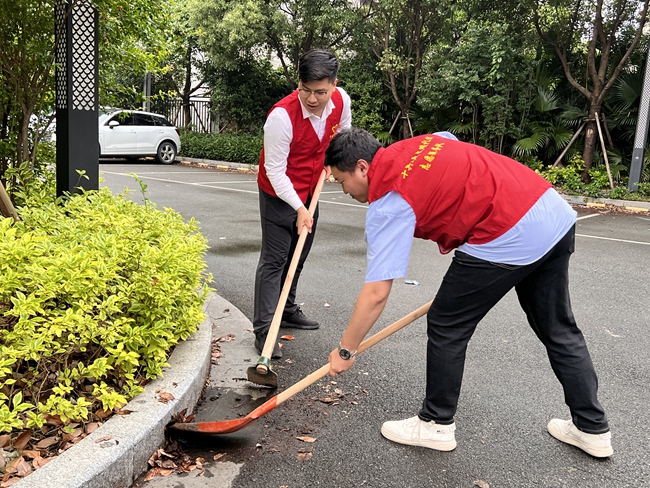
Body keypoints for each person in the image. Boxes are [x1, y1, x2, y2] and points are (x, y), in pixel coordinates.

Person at [323, 128, 612, 458]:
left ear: (362, 168)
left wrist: (346, 350)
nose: (343, 190)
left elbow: (376, 292)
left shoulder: (388, 202)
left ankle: (435, 424)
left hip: (505, 230)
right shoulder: (419, 143)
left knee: (447, 324)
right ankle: (592, 429)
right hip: (551, 212)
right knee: (558, 328)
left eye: (341, 180)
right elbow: (452, 147)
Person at [254, 49, 352, 359]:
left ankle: (288, 308)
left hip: (312, 188)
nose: (312, 98)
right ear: (299, 84)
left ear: (333, 86)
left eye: (320, 92)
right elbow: (275, 170)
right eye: (306, 90)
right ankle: (264, 330)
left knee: (300, 253)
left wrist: (333, 164)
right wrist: (299, 209)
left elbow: (343, 136)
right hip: (278, 192)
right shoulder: (281, 117)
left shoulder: (341, 102)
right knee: (276, 259)